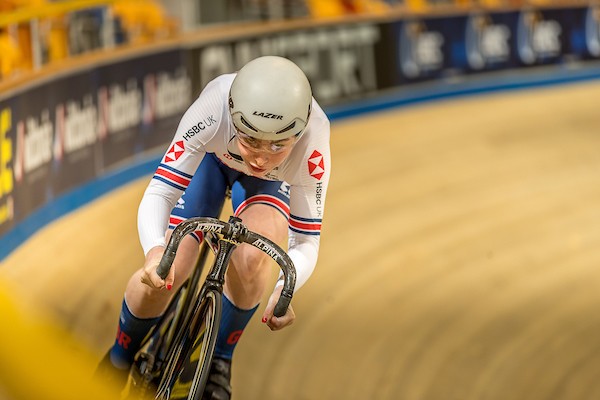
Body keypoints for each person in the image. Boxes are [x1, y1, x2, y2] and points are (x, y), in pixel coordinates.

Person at [97, 55, 331, 399]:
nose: (260, 158)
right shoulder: (214, 104)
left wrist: (286, 287)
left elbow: (306, 239)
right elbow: (161, 190)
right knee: (168, 269)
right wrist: (155, 251)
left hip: (265, 187)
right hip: (211, 165)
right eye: (250, 139)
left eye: (278, 145)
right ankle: (118, 357)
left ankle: (220, 358)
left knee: (253, 260)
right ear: (233, 117)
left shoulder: (315, 138)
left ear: (299, 131)